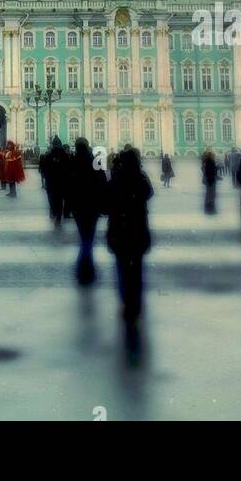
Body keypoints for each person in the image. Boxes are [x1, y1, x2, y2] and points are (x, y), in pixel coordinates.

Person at [107, 147, 154, 351]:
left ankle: (127, 302)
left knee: (122, 269)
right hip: (138, 231)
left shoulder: (116, 178)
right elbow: (149, 193)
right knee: (137, 269)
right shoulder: (140, 178)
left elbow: (104, 204)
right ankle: (136, 303)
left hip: (120, 231)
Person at [67, 138, 108, 287]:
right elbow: (103, 182)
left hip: (78, 206)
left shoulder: (72, 161)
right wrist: (103, 204)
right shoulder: (95, 162)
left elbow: (68, 185)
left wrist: (69, 205)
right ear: (88, 147)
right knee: (88, 237)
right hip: (92, 205)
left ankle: (84, 267)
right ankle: (85, 267)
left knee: (84, 236)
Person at [38, 136, 70, 227]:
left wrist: (45, 177)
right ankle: (57, 215)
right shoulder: (64, 155)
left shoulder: (48, 155)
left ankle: (54, 212)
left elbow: (43, 168)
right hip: (60, 182)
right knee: (59, 199)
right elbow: (69, 169)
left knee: (52, 198)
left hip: (51, 181)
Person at [201, 149, 219, 215]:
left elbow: (205, 170)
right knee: (211, 195)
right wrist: (216, 168)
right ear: (211, 156)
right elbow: (210, 171)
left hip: (209, 180)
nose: (214, 156)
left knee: (209, 195)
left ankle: (209, 209)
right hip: (210, 181)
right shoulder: (210, 161)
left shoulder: (207, 161)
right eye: (213, 155)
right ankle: (210, 210)